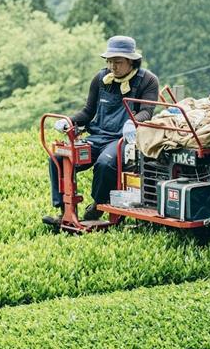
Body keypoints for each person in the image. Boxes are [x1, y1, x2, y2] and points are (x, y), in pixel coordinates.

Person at [49, 35, 160, 220]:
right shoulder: (101, 79)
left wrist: (132, 122)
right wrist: (69, 121)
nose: (112, 67)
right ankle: (64, 209)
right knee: (59, 158)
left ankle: (98, 206)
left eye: (118, 62)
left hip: (124, 140)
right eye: (109, 61)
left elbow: (147, 111)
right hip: (97, 137)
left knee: (105, 163)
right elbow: (87, 111)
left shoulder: (148, 80)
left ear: (131, 61)